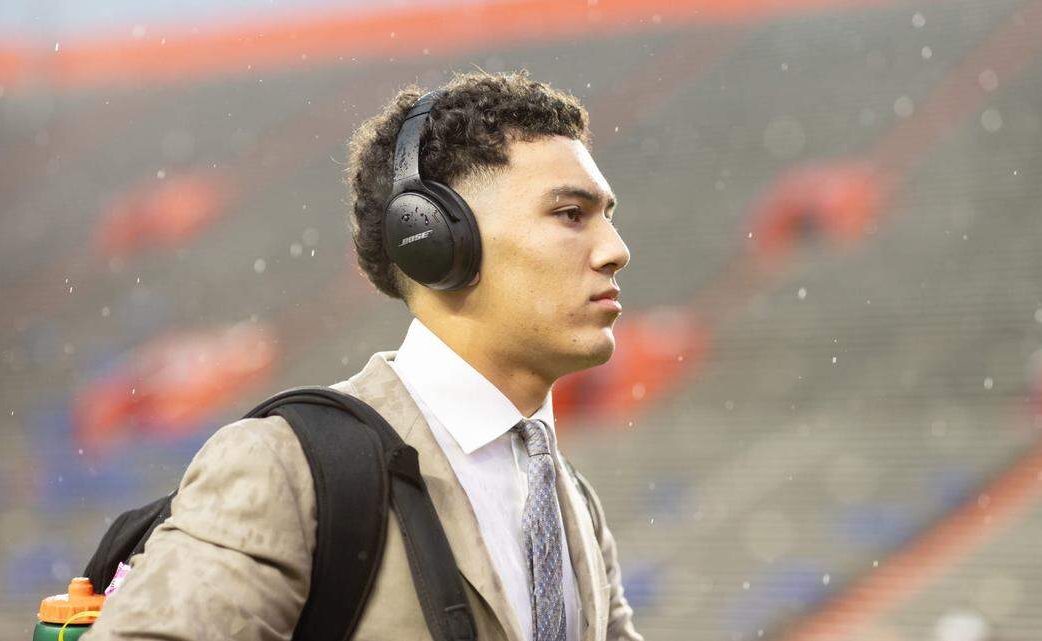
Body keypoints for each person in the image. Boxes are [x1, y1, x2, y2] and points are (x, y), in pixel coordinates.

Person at [85, 70, 640, 641]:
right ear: (435, 241)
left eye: (608, 215)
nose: (616, 250)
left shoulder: (572, 501)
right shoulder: (285, 466)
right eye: (571, 214)